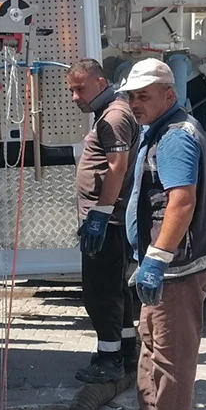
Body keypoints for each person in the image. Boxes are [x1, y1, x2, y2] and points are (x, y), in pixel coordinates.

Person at [118, 57, 206, 410]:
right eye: (131, 96)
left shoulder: (175, 137)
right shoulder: (161, 128)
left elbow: (181, 201)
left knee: (172, 352)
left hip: (177, 267)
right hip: (170, 263)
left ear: (170, 95)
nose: (134, 103)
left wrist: (156, 260)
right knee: (151, 339)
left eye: (143, 96)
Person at [67, 58, 141, 384]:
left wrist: (100, 214)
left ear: (100, 83)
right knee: (116, 289)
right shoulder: (111, 112)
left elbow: (117, 166)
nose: (74, 96)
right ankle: (125, 351)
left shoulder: (114, 117)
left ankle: (109, 361)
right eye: (71, 90)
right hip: (111, 218)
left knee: (100, 292)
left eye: (79, 88)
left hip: (108, 221)